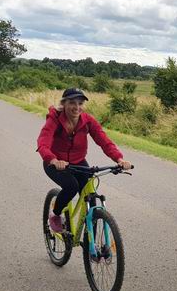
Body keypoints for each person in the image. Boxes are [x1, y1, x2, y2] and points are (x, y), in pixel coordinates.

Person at [37, 88, 132, 233]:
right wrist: (53, 160)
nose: (77, 107)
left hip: (78, 162)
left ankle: (91, 241)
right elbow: (43, 142)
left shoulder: (88, 121)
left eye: (80, 103)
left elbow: (104, 142)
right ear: (64, 104)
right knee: (71, 186)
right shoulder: (54, 119)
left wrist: (119, 159)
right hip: (55, 163)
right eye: (72, 103)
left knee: (90, 195)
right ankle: (55, 215)